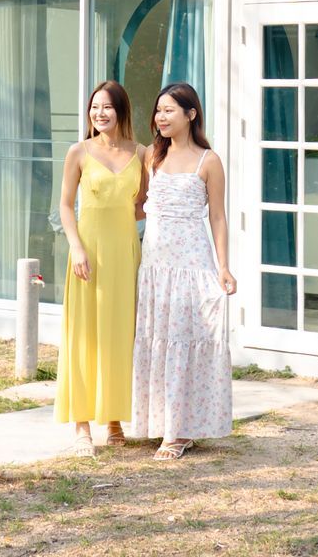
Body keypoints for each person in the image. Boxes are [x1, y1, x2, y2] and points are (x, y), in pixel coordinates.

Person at [131, 82, 235, 460]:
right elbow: (140, 206)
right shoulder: (151, 159)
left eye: (169, 110)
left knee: (186, 340)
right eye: (158, 110)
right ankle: (165, 423)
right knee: (159, 340)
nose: (160, 117)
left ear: (191, 114)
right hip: (156, 267)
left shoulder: (209, 161)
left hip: (192, 266)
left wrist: (224, 266)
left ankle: (178, 431)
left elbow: (218, 218)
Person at [55, 79, 146, 456]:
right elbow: (64, 205)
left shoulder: (142, 153)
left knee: (120, 335)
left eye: (107, 106)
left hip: (124, 254)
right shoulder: (78, 152)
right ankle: (81, 425)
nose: (99, 113)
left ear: (121, 110)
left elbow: (143, 204)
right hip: (87, 255)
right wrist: (76, 247)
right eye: (95, 106)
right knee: (84, 335)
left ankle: (113, 419)